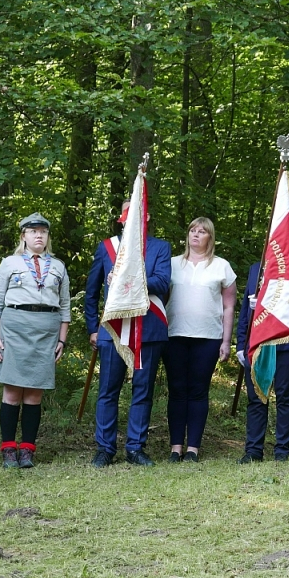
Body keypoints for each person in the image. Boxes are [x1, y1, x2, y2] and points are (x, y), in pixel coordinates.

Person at [85, 201, 172, 468]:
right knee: (108, 391)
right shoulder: (106, 247)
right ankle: (105, 448)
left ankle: (135, 447)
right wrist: (92, 327)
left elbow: (162, 282)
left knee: (142, 391)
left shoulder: (160, 247)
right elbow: (92, 291)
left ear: (145, 217)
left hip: (148, 329)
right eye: (127, 213)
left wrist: (128, 278)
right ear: (122, 219)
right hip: (112, 329)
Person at [0, 213, 70, 469]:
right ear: (23, 235)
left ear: (48, 236)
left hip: (46, 331)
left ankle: (28, 450)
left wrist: (62, 340)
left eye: (43, 232)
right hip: (14, 329)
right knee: (12, 391)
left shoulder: (58, 266)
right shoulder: (9, 263)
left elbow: (65, 307)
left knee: (35, 393)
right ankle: (9, 448)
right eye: (33, 231)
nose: (38, 235)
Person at [163, 217, 237, 463]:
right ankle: (176, 447)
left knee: (197, 391)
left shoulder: (221, 266)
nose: (196, 234)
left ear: (210, 237)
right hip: (174, 334)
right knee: (176, 391)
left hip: (208, 337)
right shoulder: (172, 264)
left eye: (202, 231)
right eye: (192, 230)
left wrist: (226, 341)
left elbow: (228, 306)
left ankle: (193, 448)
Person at [235, 258, 289, 463]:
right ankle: (253, 450)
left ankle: (282, 451)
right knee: (256, 398)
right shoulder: (257, 267)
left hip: (287, 342)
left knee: (286, 398)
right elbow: (246, 307)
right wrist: (241, 343)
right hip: (259, 343)